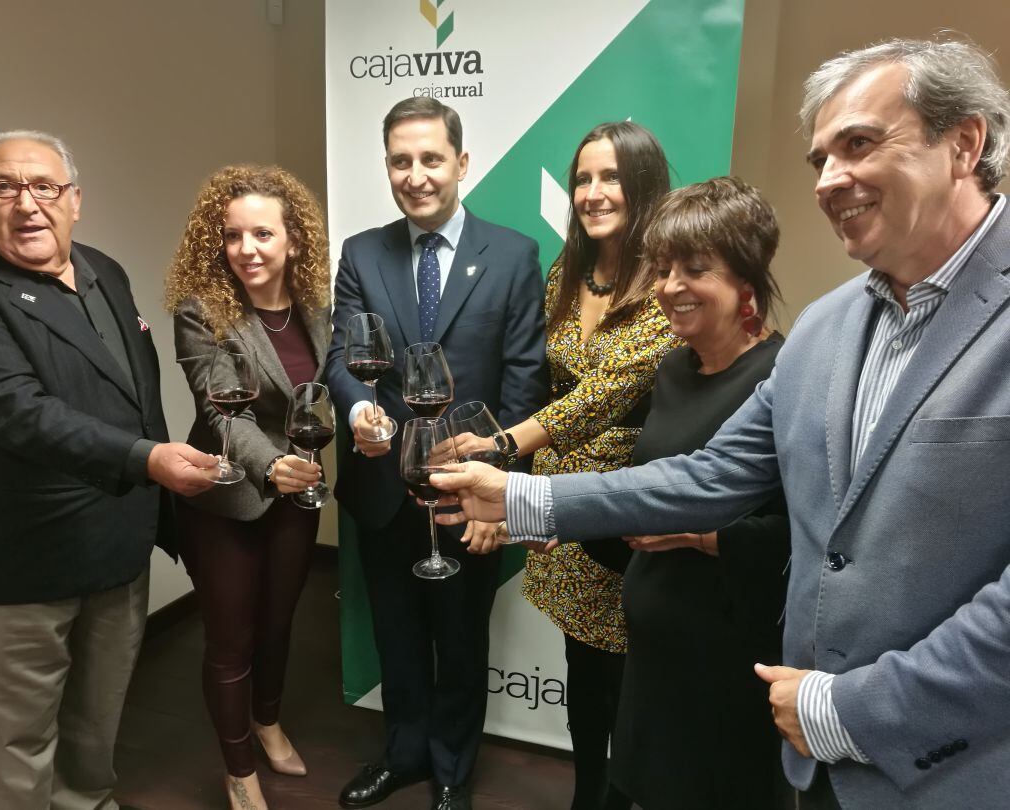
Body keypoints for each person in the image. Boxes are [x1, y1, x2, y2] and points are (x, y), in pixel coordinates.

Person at [432, 37, 1010, 809]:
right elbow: (709, 476)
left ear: (964, 142)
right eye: (820, 159)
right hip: (812, 756)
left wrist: (854, 708)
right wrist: (515, 497)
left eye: (860, 144)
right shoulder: (826, 328)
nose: (832, 179)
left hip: (955, 765)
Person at [0, 130, 217, 810]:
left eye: (44, 186)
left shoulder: (103, 271)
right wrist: (147, 461)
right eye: (5, 186)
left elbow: (134, 396)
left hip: (112, 554)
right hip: (10, 567)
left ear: (75, 199)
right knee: (5, 750)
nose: (26, 203)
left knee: (91, 734)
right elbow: (15, 412)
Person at [325, 96, 548, 810]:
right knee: (395, 634)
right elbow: (342, 358)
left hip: (468, 488)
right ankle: (404, 755)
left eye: (429, 158)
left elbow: (524, 382)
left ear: (461, 163)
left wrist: (497, 491)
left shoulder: (513, 256)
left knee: (458, 641)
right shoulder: (363, 252)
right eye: (400, 160)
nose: (415, 175)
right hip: (385, 488)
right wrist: (359, 409)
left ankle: (453, 770)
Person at [461, 121, 679, 810]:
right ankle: (590, 796)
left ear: (642, 185)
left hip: (624, 507)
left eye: (610, 177)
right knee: (583, 681)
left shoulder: (668, 281)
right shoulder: (569, 270)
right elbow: (543, 376)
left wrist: (503, 448)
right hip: (559, 502)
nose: (592, 191)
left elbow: (602, 393)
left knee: (630, 690)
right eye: (583, 178)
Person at [610, 176, 790, 808]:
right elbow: (650, 484)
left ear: (747, 279)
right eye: (662, 269)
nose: (669, 287)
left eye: (694, 269)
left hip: (726, 662)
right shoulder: (672, 368)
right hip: (654, 645)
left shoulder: (783, 379)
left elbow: (807, 535)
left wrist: (703, 534)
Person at [165, 165, 331, 810]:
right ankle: (238, 768)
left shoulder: (319, 311)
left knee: (279, 622)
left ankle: (266, 721)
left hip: (296, 494)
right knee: (230, 640)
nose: (248, 249)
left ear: (294, 240)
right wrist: (271, 465)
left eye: (263, 233)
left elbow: (330, 393)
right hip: (225, 494)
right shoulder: (200, 311)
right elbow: (219, 411)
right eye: (233, 236)